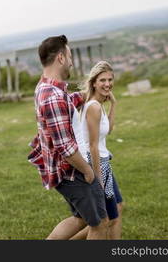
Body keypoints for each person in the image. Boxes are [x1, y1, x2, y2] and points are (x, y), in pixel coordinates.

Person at [28, 35, 108, 239]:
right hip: (73, 171)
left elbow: (66, 106)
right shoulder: (52, 96)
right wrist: (88, 171)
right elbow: (66, 147)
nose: (72, 61)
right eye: (70, 56)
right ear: (61, 58)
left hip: (65, 171)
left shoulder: (46, 88)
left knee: (81, 219)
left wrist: (86, 94)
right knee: (99, 223)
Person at [71, 61, 123, 240]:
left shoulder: (98, 105)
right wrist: (98, 179)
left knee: (117, 208)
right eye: (102, 80)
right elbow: (92, 145)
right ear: (93, 82)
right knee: (108, 218)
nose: (107, 84)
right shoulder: (93, 107)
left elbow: (106, 130)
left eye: (110, 79)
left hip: (103, 161)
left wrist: (113, 105)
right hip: (98, 164)